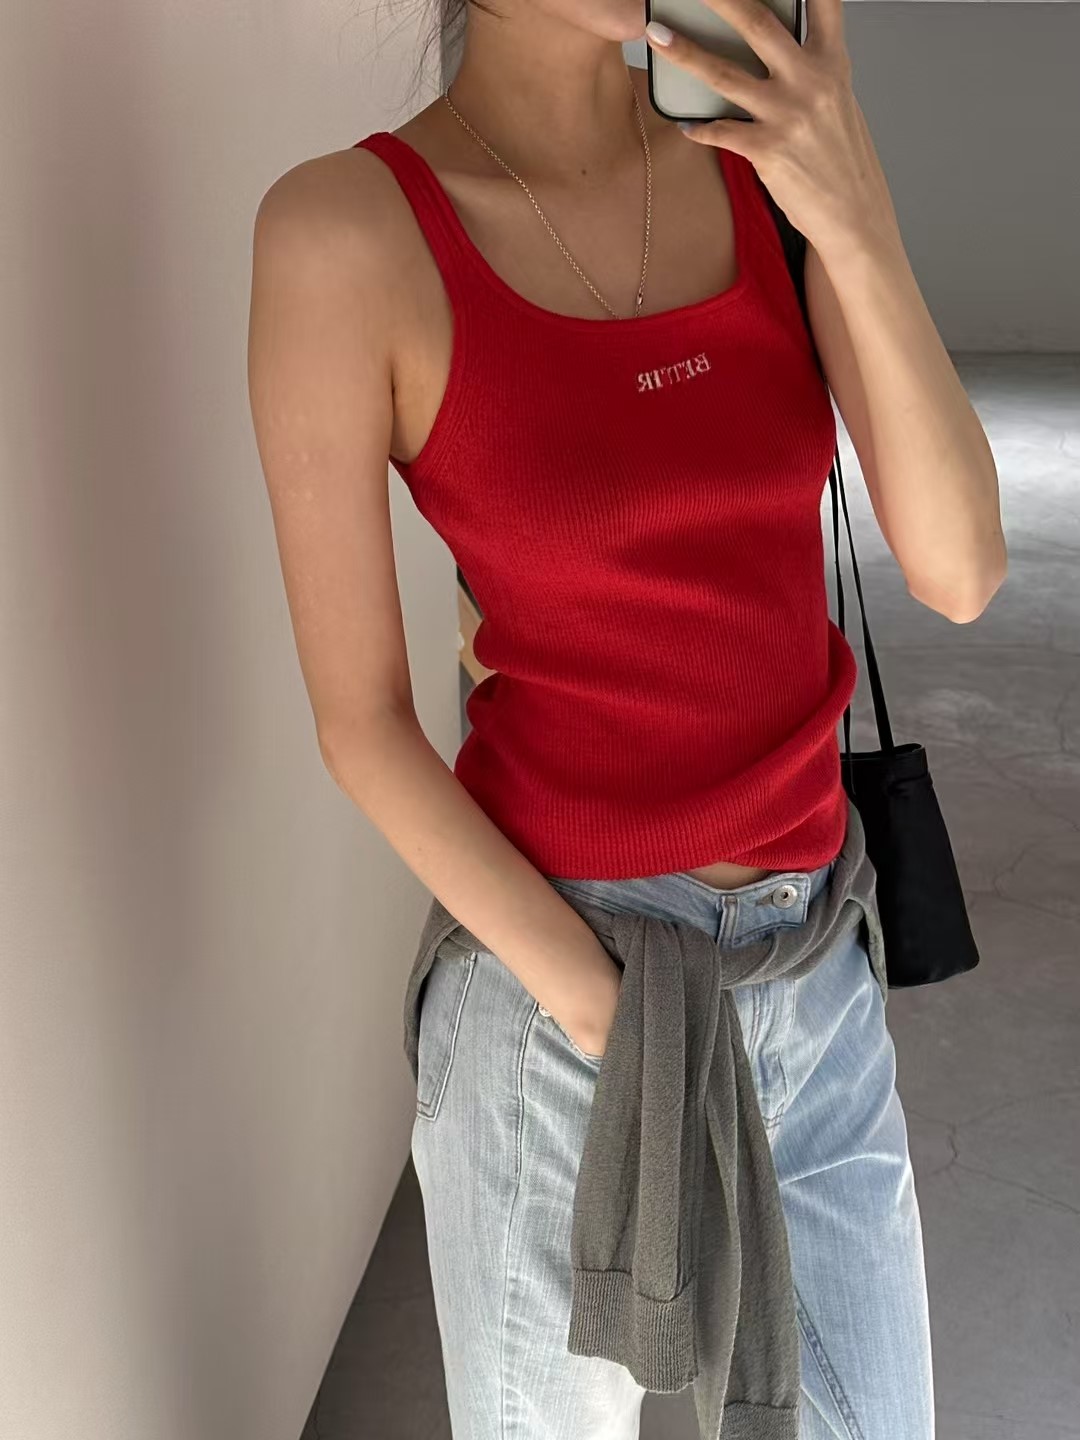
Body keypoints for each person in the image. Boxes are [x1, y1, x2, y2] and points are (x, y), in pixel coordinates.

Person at [247, 2, 1005, 1434]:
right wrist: (604, 1009)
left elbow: (961, 570)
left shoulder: (764, 172)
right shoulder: (346, 235)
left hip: (811, 965)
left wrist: (852, 206)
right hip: (564, 993)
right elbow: (363, 723)